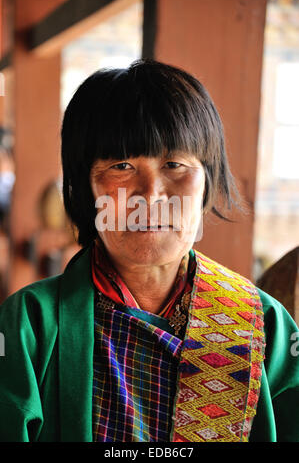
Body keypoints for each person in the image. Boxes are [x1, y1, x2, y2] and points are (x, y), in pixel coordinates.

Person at [0, 59, 298, 443]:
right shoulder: (29, 326)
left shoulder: (265, 324)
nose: (152, 196)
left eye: (175, 164)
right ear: (84, 187)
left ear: (207, 182)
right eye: (122, 166)